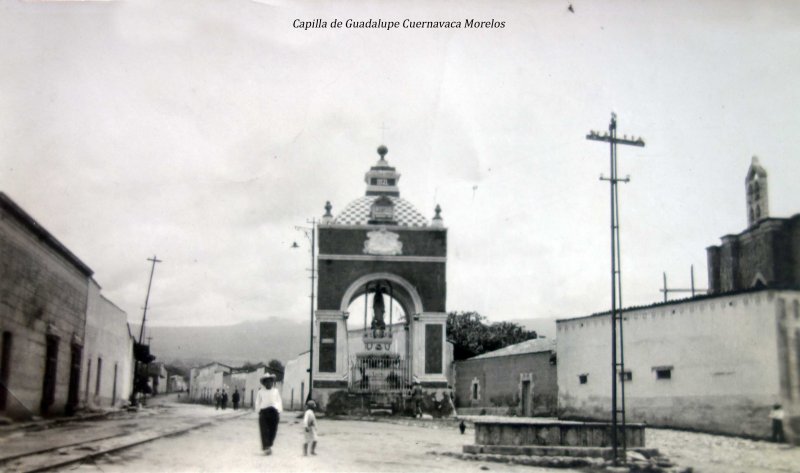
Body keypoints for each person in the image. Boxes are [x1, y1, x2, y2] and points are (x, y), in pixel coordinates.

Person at [255, 373, 283, 455]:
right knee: (264, 430)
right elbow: (257, 402)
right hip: (264, 412)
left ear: (272, 382)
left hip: (274, 412)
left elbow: (279, 401)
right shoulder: (260, 392)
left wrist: (279, 410)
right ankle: (266, 447)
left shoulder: (276, 391)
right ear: (264, 383)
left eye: (270, 381)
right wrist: (258, 411)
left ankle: (269, 444)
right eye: (267, 381)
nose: (269, 383)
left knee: (273, 430)